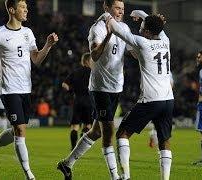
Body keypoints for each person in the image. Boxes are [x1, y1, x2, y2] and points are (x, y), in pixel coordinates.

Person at [0, 0, 58, 179]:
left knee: (16, 131)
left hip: (25, 89)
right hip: (8, 88)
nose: (26, 10)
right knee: (20, 131)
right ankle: (29, 175)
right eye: (22, 7)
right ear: (12, 10)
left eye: (26, 7)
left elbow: (36, 59)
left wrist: (48, 45)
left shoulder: (28, 33)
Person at [57, 1, 135, 180]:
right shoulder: (97, 28)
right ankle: (116, 176)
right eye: (117, 8)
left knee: (96, 132)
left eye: (123, 9)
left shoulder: (123, 27)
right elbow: (94, 55)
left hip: (116, 87)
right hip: (100, 88)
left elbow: (133, 51)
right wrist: (109, 35)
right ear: (106, 8)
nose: (121, 12)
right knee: (109, 132)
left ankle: (66, 164)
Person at [102, 10, 174, 180]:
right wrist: (141, 14)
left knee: (122, 134)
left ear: (148, 32)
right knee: (164, 141)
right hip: (168, 99)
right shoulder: (166, 41)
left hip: (150, 100)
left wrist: (106, 14)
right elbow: (157, 27)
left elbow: (115, 28)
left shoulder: (143, 43)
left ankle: (125, 176)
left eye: (142, 28)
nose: (140, 30)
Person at [62, 52, 93, 150]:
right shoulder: (93, 72)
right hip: (89, 101)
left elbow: (64, 85)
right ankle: (80, 148)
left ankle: (73, 147)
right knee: (88, 125)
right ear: (87, 61)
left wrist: (72, 90)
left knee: (75, 126)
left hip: (77, 100)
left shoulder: (75, 72)